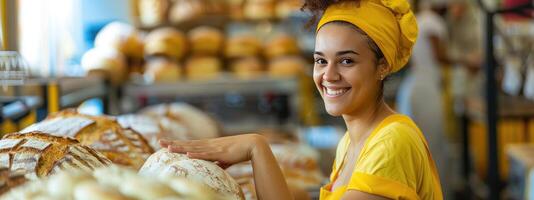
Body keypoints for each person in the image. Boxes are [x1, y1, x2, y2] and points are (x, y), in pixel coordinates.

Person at [160, 0, 443, 199]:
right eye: (320, 61)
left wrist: (256, 147)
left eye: (346, 61)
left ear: (382, 66)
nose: (328, 75)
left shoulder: (393, 142)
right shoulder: (351, 142)